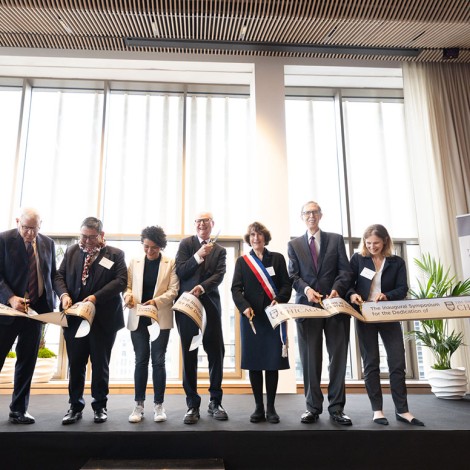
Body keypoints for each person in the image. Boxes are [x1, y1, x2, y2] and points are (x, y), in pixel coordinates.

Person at [348, 224, 424, 426]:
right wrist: (352, 294)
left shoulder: (396, 262)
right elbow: (348, 284)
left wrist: (387, 295)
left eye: (376, 243)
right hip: (365, 316)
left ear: (385, 242)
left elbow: (403, 288)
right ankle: (377, 410)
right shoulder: (358, 260)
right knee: (371, 363)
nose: (372, 247)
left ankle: (402, 410)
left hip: (388, 314)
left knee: (397, 361)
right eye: (368, 243)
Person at [55, 217, 127, 425]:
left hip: (103, 320)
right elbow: (58, 276)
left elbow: (120, 281)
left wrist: (95, 298)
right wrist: (64, 295)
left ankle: (100, 406)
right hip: (76, 318)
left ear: (101, 236)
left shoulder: (115, 254)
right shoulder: (72, 252)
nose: (86, 241)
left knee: (100, 364)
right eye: (83, 236)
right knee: (76, 363)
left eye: (91, 237)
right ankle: (75, 406)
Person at [287, 201, 353, 425]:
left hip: (335, 307)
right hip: (308, 308)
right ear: (302, 217)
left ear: (321, 215)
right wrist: (306, 290)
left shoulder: (335, 239)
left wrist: (338, 289)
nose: (311, 216)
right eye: (307, 213)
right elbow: (293, 276)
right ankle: (313, 408)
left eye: (314, 212)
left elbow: (345, 270)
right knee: (310, 360)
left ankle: (337, 408)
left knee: (338, 359)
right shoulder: (294, 244)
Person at [0, 208, 57, 424]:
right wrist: (10, 297)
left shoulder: (48, 243)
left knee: (27, 362)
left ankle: (19, 410)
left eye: (34, 229)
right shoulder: (4, 240)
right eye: (26, 228)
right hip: (8, 311)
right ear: (18, 222)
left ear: (40, 226)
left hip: (36, 312)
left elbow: (51, 275)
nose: (30, 233)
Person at [231, 222, 292, 424]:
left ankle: (271, 408)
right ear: (248, 238)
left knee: (272, 363)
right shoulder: (242, 262)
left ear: (265, 237)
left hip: (273, 316)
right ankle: (258, 407)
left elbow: (286, 284)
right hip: (252, 318)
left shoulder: (277, 258)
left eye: (259, 235)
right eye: (252, 235)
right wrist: (244, 307)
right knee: (255, 364)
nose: (255, 238)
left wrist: (280, 299)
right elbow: (235, 289)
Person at [175, 211, 228, 424]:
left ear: (212, 224)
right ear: (194, 224)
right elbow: (180, 271)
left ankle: (215, 401)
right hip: (187, 307)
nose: (202, 224)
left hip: (211, 306)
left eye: (206, 221)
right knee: (189, 353)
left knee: (216, 352)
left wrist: (202, 287)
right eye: (198, 221)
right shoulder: (186, 244)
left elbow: (219, 275)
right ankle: (192, 404)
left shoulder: (221, 250)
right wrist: (199, 255)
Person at [124, 226, 179, 423]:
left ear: (161, 246)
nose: (149, 251)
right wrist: (128, 296)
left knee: (158, 361)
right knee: (140, 360)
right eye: (146, 246)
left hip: (159, 316)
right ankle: (138, 405)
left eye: (154, 248)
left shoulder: (170, 262)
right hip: (138, 316)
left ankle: (159, 405)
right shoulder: (134, 261)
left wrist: (156, 302)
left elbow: (173, 290)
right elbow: (128, 285)